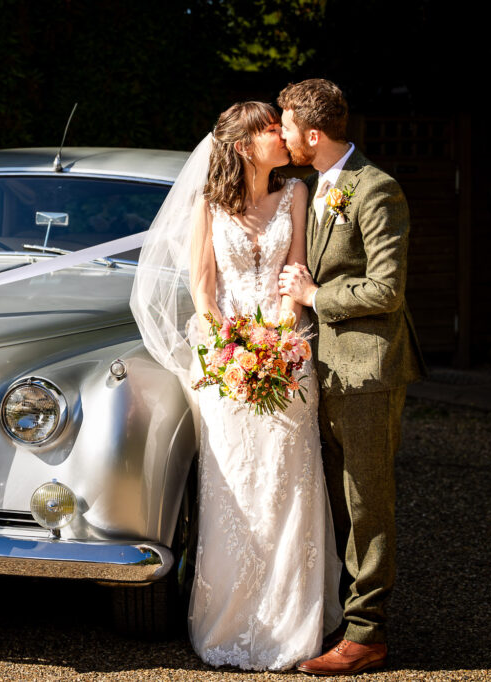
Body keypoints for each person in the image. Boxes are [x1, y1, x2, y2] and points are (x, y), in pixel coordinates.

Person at [131, 101, 342, 671]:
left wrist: (275, 343)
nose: (283, 136)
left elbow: (294, 270)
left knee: (286, 486)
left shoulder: (296, 195)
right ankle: (228, 619)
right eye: (272, 129)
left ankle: (290, 628)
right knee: (233, 489)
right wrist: (232, 349)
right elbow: (202, 288)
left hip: (287, 352)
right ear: (245, 145)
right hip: (224, 363)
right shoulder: (209, 204)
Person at [276, 79, 426, 675]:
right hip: (322, 368)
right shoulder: (312, 188)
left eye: (286, 124)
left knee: (367, 502)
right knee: (333, 499)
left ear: (312, 134)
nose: (281, 134)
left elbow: (387, 289)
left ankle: (368, 634)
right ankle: (341, 613)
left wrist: (315, 294)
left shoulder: (376, 190)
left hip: (368, 371)